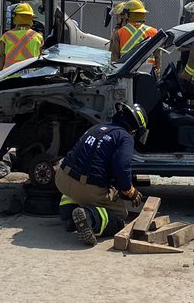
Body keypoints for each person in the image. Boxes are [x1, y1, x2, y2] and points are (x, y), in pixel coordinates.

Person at [55, 103, 148, 245]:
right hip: (87, 189)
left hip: (61, 178)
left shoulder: (97, 127)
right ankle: (89, 219)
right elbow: (122, 167)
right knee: (120, 214)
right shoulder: (125, 137)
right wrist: (129, 190)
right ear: (135, 130)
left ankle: (69, 213)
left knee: (77, 187)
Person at [109, 0, 159, 70]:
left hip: (126, 73)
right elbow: (158, 56)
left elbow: (114, 58)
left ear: (127, 15)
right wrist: (158, 72)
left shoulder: (119, 33)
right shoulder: (154, 32)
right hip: (147, 75)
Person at [0, 3, 44, 72]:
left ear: (15, 17)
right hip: (30, 78)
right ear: (31, 19)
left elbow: (0, 58)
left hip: (9, 77)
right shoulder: (38, 37)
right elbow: (40, 58)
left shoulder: (6, 36)